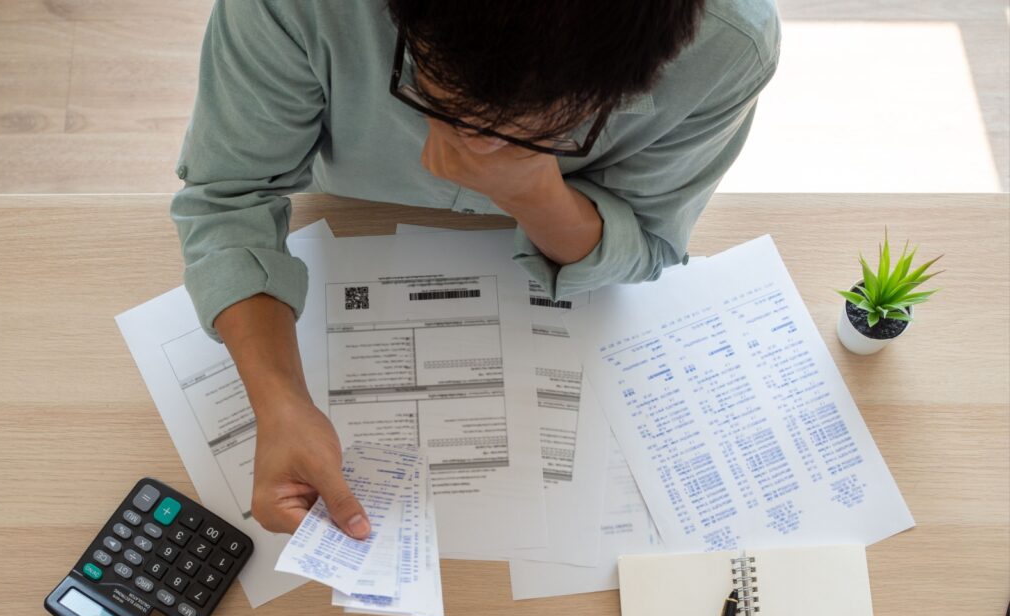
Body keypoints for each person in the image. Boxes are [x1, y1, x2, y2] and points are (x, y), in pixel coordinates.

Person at [171, 0, 780, 540]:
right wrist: (278, 401)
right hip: (350, 209)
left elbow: (647, 243)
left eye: (545, 126)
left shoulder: (728, 43)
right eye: (438, 99)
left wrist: (533, 194)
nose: (474, 146)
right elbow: (229, 195)